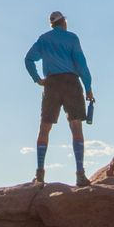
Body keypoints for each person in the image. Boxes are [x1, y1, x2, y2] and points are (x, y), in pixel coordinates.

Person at [23, 12, 94, 187]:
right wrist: (88, 87)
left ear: (52, 24)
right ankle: (80, 174)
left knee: (44, 127)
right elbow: (81, 64)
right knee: (76, 127)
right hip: (71, 82)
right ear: (64, 22)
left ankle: (39, 175)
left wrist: (38, 79)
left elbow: (28, 59)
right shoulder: (72, 38)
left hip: (51, 84)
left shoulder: (44, 39)